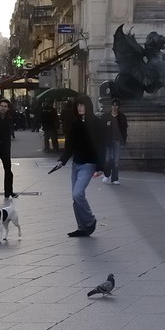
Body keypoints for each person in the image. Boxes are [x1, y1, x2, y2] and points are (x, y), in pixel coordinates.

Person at [55, 96, 104, 237]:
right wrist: (62, 160)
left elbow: (101, 146)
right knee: (75, 198)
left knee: (78, 194)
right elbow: (70, 146)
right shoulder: (74, 123)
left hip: (89, 164)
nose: (80, 108)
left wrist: (101, 166)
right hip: (76, 164)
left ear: (88, 106)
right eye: (78, 105)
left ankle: (90, 220)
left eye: (82, 105)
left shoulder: (96, 123)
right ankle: (82, 227)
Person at [101, 98, 128, 184]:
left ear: (118, 107)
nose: (114, 107)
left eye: (116, 105)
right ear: (111, 106)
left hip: (117, 141)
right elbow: (100, 128)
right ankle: (106, 175)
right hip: (108, 140)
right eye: (113, 105)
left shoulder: (122, 117)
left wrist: (124, 140)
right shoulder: (106, 116)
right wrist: (106, 125)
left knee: (116, 160)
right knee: (107, 159)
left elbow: (124, 129)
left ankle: (115, 179)